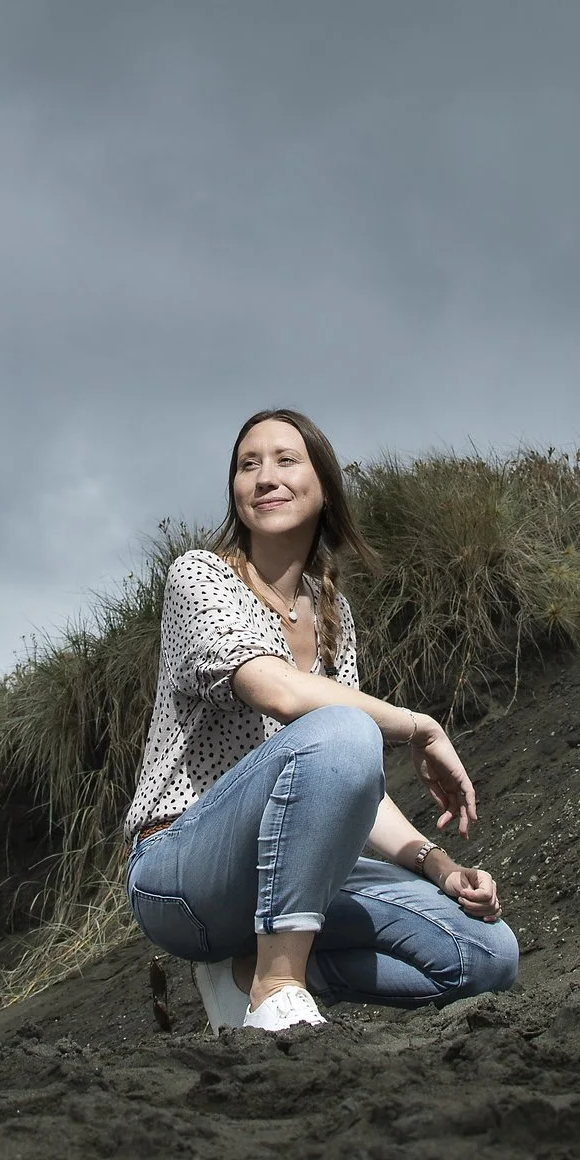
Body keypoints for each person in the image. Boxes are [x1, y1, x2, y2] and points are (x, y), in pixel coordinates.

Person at [123, 408, 521, 1032]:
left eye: (286, 460)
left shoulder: (335, 616)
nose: (264, 477)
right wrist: (419, 725)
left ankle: (248, 976)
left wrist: (438, 865)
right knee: (344, 726)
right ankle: (276, 987)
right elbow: (278, 693)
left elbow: (346, 778)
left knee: (487, 955)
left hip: (293, 867)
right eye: (247, 465)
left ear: (324, 485)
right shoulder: (200, 576)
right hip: (186, 872)